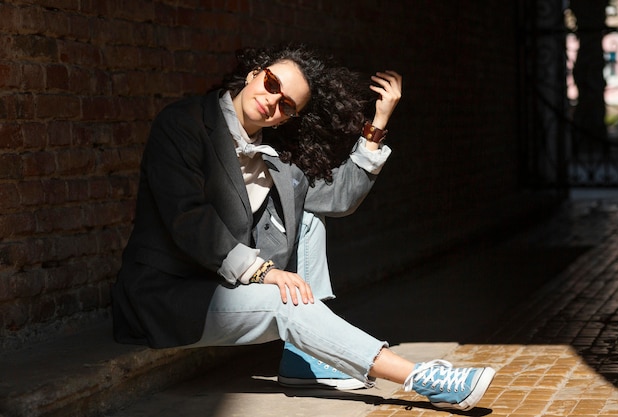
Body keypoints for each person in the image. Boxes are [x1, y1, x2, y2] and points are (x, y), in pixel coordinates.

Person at [111, 44, 495, 411]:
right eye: (272, 84)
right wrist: (264, 272)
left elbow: (339, 198)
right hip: (167, 296)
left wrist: (378, 124)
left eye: (286, 105)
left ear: (288, 117)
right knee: (284, 302)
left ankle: (302, 354)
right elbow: (188, 220)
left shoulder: (276, 157)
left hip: (224, 287)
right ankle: (422, 378)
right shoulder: (183, 124)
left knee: (308, 214)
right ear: (254, 74)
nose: (272, 101)